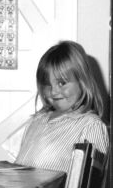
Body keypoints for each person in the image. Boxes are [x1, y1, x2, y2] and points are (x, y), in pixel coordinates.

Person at [15, 40, 109, 173]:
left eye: (61, 83)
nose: (53, 92)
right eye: (47, 84)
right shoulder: (35, 121)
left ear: (82, 82)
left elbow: (90, 185)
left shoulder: (90, 126)